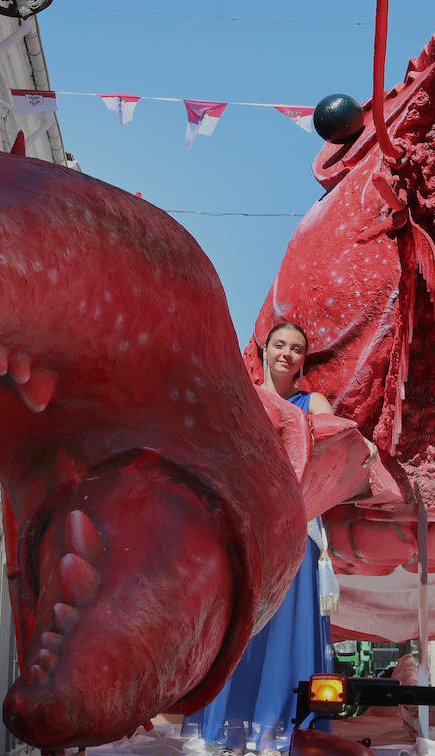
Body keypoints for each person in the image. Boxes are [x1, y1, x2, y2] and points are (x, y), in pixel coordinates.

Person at [183, 321, 337, 752]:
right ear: (263, 350)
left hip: (298, 528)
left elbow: (338, 441)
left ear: (304, 359)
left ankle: (278, 733)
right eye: (280, 345)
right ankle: (229, 730)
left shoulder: (314, 402)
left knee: (289, 627)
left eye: (297, 349)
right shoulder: (242, 398)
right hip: (249, 528)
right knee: (241, 625)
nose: (288, 353)